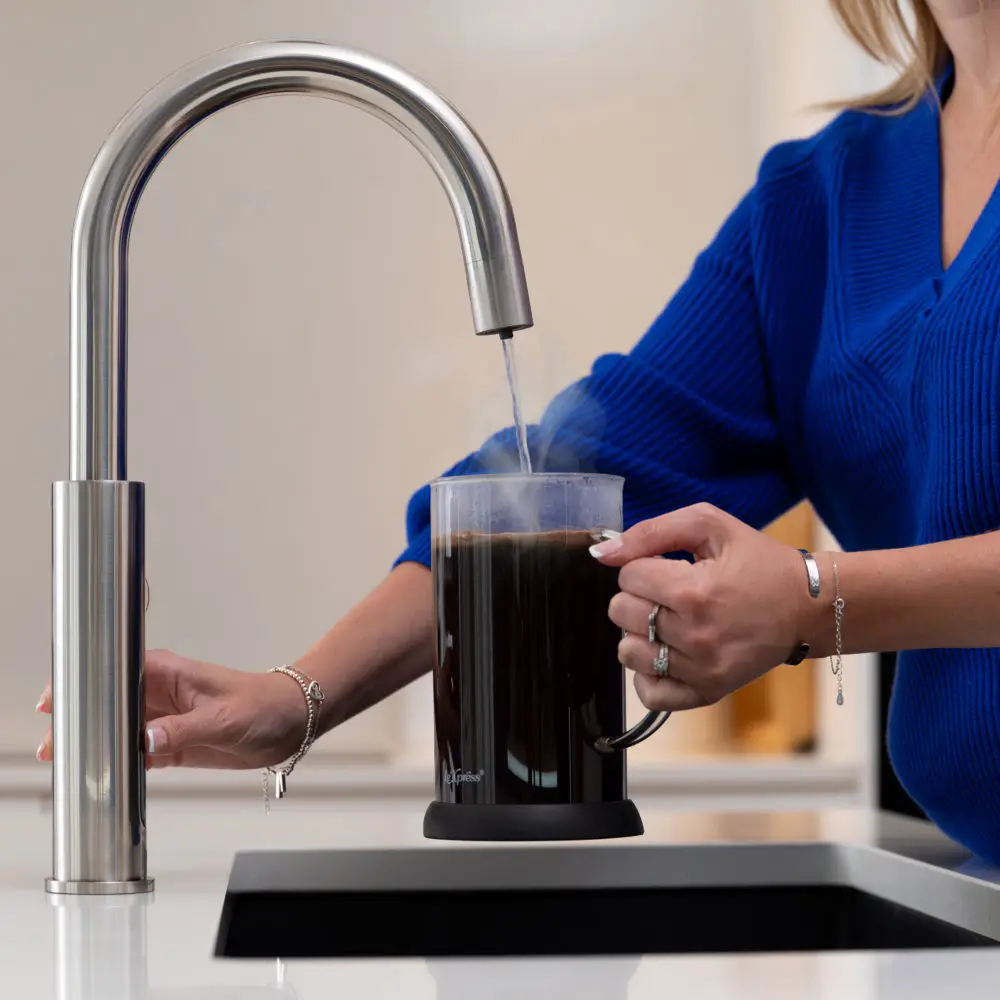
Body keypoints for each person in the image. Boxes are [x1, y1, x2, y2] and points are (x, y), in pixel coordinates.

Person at [36, 0, 1000, 863]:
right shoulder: (822, 200)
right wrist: (301, 697)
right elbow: (573, 471)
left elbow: (799, 592)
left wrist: (812, 600)